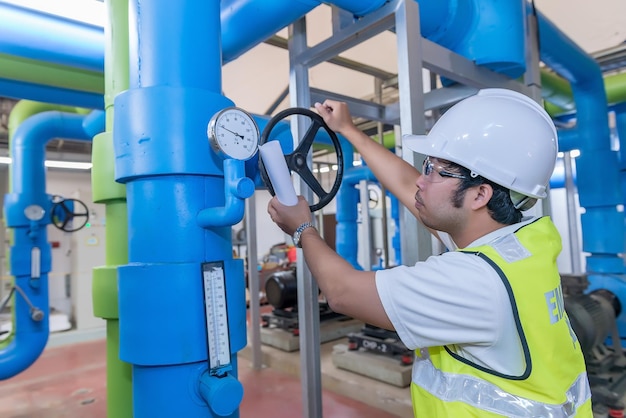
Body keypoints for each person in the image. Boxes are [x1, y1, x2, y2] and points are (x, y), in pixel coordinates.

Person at [266, 88, 592, 417]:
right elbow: (410, 187)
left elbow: (341, 292)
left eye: (437, 171)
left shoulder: (474, 283)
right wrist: (350, 131)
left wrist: (302, 228)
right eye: (427, 165)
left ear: (480, 194)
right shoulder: (519, 244)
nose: (422, 180)